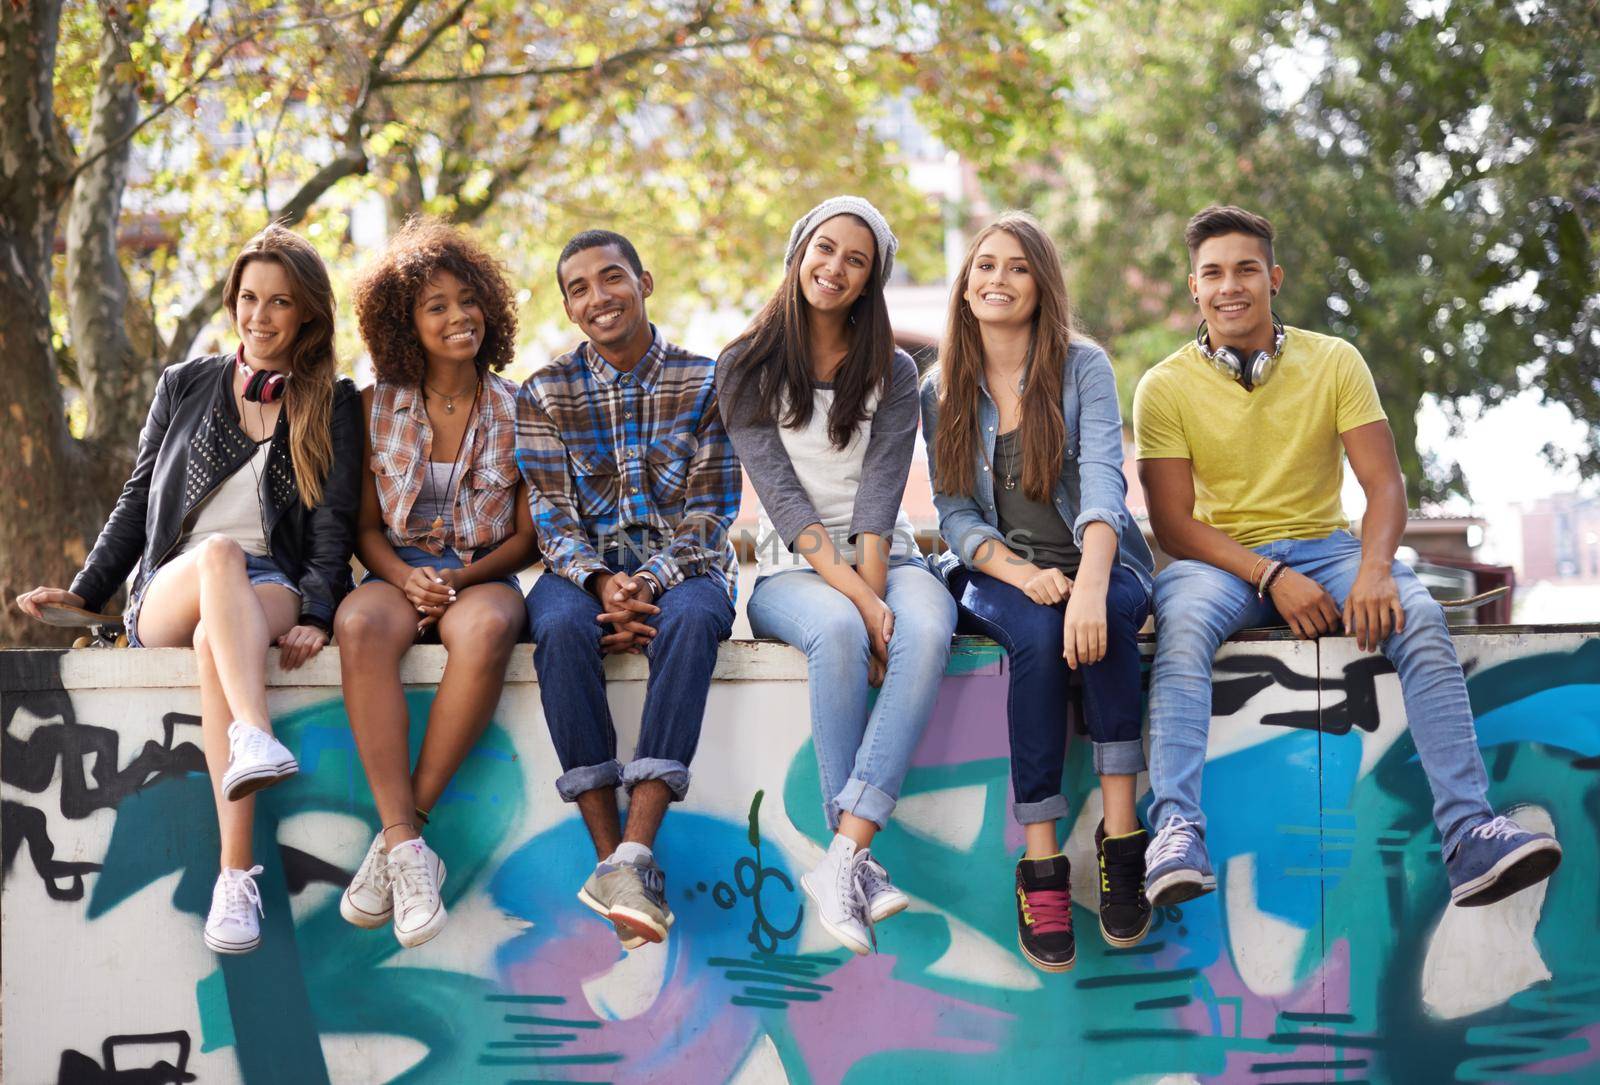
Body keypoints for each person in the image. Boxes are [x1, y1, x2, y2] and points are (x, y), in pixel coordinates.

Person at [1133, 204, 1562, 910]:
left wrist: (1371, 568)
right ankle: (1176, 830)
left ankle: (1471, 833)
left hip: (1328, 545)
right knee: (1180, 630)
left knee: (1417, 615)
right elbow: (1174, 527)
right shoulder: (1164, 385)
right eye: (1213, 273)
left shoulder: (1334, 360)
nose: (1229, 285)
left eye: (1245, 269)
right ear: (1193, 288)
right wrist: (1271, 576)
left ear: (1273, 278)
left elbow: (1384, 483)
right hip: (1219, 561)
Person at [17, 224, 362, 954]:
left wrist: (321, 612)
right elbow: (137, 502)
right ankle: (254, 733)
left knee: (219, 638)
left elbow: (333, 524)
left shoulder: (330, 401)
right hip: (174, 581)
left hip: (265, 587)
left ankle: (235, 880)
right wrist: (85, 592)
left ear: (306, 313)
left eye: (279, 302)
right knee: (219, 558)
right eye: (248, 298)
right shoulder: (187, 383)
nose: (259, 316)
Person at [717, 197, 957, 955]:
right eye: (825, 249)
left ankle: (846, 852)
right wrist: (859, 598)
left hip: (887, 555)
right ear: (799, 252)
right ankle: (855, 858)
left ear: (870, 281)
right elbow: (785, 503)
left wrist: (878, 590)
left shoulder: (892, 370)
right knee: (841, 629)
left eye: (856, 261)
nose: (835, 268)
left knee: (928, 623)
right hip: (794, 570)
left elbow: (881, 501)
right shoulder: (744, 364)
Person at [922, 211, 1157, 973]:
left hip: (1097, 560)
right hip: (999, 573)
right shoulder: (941, 388)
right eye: (984, 266)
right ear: (964, 288)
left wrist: (1089, 588)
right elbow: (953, 512)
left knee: (1114, 622)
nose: (997, 279)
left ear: (1042, 285)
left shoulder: (1082, 366)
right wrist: (1023, 576)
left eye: (1018, 267)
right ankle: (1041, 861)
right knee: (1031, 637)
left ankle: (1123, 836)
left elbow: (1102, 487)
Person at [516, 229, 740, 949]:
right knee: (555, 628)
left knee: (695, 619)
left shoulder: (707, 381)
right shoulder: (545, 391)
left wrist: (644, 580)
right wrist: (602, 582)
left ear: (645, 282)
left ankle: (634, 853)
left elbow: (711, 511)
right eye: (578, 288)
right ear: (568, 308)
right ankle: (613, 862)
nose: (597, 296)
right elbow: (549, 516)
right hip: (580, 572)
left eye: (610, 278)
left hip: (682, 568)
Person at [333, 219, 538, 948]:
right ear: (404, 325)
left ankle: (402, 842)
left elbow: (526, 535)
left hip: (481, 573)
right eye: (436, 306)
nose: (459, 316)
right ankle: (407, 845)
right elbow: (361, 526)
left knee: (487, 628)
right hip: (395, 568)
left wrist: (460, 576)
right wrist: (404, 575)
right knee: (356, 624)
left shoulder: (521, 410)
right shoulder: (370, 405)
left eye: (467, 299)